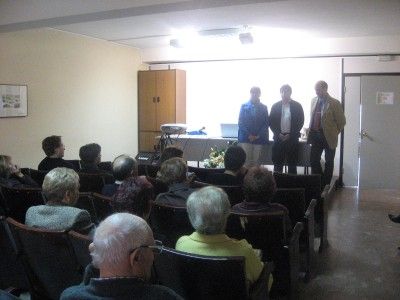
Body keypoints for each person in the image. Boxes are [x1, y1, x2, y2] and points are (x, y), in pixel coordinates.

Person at [60, 213, 183, 300]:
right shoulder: (164, 296)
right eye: (153, 250)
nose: (153, 257)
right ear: (136, 257)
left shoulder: (69, 296)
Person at [176, 186, 264, 287]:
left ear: (192, 216)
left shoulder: (181, 244)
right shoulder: (243, 251)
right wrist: (254, 258)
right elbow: (266, 281)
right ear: (227, 214)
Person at [25, 167, 95, 235]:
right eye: (77, 189)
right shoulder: (78, 215)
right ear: (67, 194)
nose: (78, 192)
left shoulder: (31, 212)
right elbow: (97, 241)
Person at [307, 81, 346, 187]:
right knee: (313, 160)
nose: (316, 92)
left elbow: (342, 122)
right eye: (315, 90)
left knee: (329, 161)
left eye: (318, 90)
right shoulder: (313, 101)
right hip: (315, 135)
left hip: (329, 137)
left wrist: (333, 133)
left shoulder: (334, 103)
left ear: (325, 89)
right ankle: (318, 181)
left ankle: (326, 184)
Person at [232, 166, 291, 230]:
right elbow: (288, 235)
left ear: (245, 187)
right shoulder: (281, 210)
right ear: (272, 189)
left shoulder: (235, 210)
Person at [269, 84, 304, 174]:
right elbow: (271, 122)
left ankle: (292, 186)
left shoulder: (297, 106)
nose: (284, 93)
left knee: (292, 164)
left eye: (287, 91)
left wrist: (291, 134)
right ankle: (277, 186)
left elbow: (300, 122)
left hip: (292, 139)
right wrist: (278, 134)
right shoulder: (275, 106)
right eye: (282, 91)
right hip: (278, 138)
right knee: (277, 164)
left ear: (290, 93)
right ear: (280, 93)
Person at [238, 86, 269, 167]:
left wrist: (257, 136)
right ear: (250, 93)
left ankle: (255, 180)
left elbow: (266, 124)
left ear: (260, 94)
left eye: (257, 93)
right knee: (246, 162)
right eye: (253, 92)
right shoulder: (243, 106)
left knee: (257, 162)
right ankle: (246, 179)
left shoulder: (264, 107)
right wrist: (249, 135)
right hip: (246, 138)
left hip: (259, 138)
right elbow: (241, 123)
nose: (254, 94)